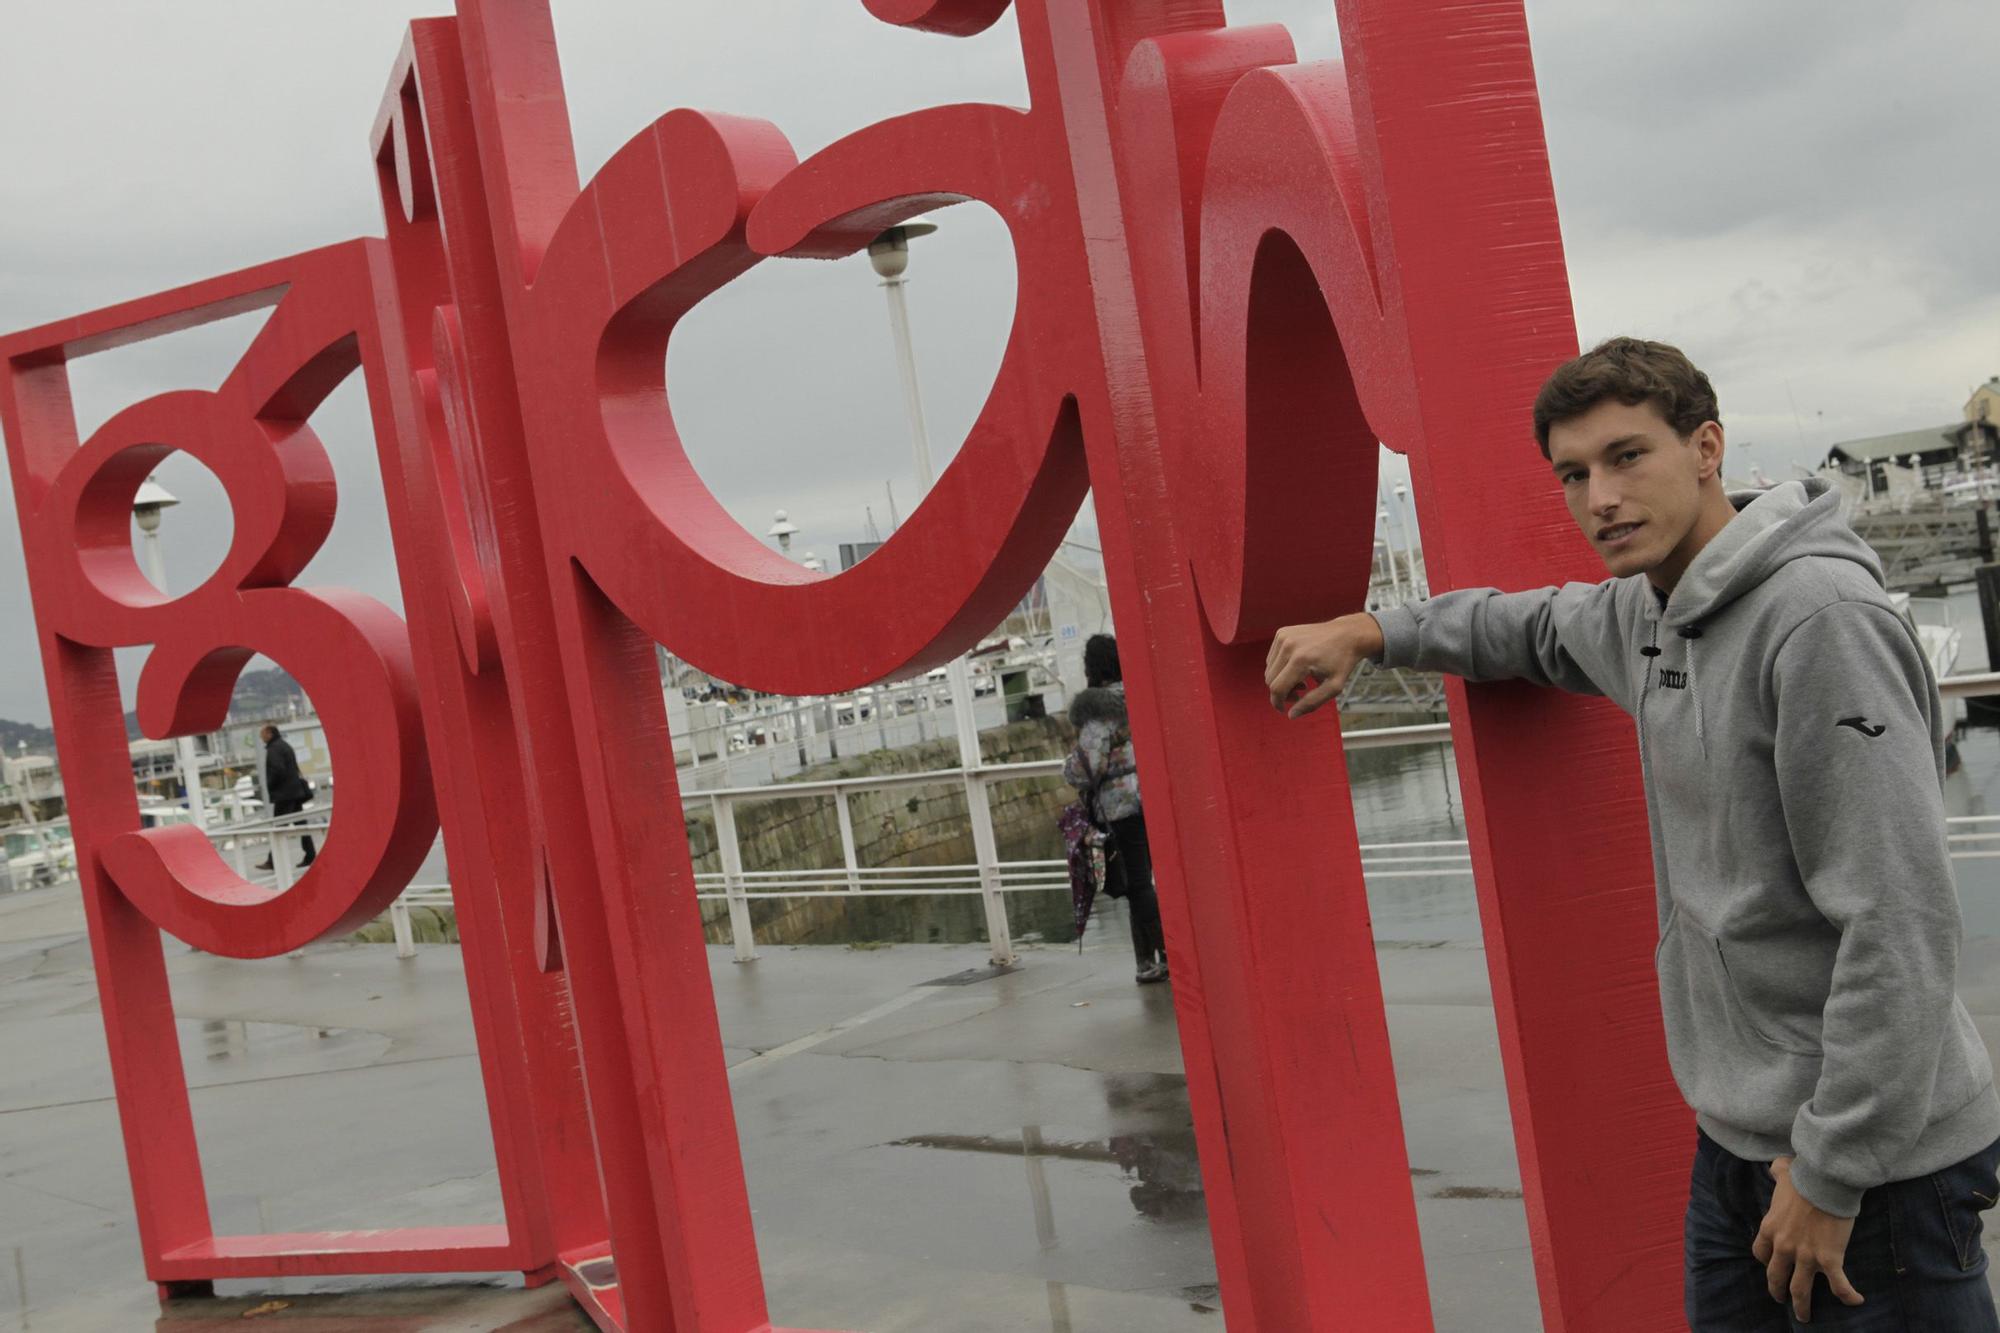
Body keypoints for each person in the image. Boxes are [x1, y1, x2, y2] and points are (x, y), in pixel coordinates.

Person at [1265, 337, 2000, 1329]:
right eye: (1572, 474)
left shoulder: (1816, 621)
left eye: (1625, 457)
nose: (1598, 496)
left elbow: (1899, 922)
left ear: (1705, 447)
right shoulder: (1648, 617)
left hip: (1876, 1168)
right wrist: (1370, 631)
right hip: (1738, 1145)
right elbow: (1518, 626)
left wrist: (1831, 1171)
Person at [1064, 634, 1168, 984]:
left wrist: (1068, 765)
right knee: (1158, 880)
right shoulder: (1140, 695)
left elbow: (1087, 768)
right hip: (1156, 798)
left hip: (1121, 808)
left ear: (1092, 668)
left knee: (1137, 884)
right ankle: (1168, 953)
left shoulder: (1099, 711)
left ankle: (1150, 960)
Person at [257, 724, 315, 871]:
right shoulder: (284, 745)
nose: (261, 737)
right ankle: (310, 854)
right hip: (294, 792)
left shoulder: (274, 749)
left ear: (270, 733)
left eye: (262, 734)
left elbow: (277, 770)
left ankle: (273, 861)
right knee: (301, 825)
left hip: (284, 795)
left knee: (279, 827)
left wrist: (270, 784)